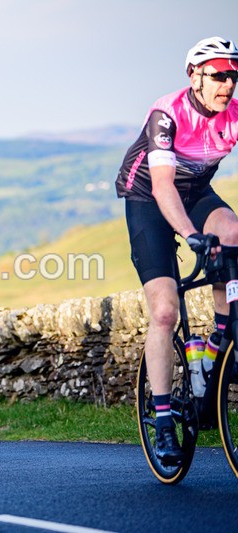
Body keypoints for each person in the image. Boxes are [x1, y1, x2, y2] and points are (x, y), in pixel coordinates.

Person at [116, 36, 238, 465]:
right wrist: (189, 235)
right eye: (217, 76)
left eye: (233, 76)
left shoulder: (234, 113)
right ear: (194, 76)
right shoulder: (167, 113)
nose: (227, 85)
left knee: (233, 236)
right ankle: (164, 419)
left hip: (196, 191)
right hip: (149, 198)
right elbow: (165, 186)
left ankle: (220, 344)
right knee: (165, 310)